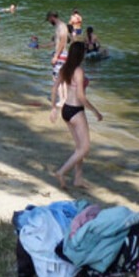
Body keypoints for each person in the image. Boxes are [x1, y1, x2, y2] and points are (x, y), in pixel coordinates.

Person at [50, 41, 102, 190]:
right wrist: (95, 111)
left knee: (79, 147)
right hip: (76, 110)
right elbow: (80, 96)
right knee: (85, 148)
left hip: (66, 109)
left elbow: (54, 89)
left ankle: (78, 178)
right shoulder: (78, 71)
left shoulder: (64, 68)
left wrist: (53, 108)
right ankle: (61, 172)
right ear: (80, 54)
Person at [46, 11, 70, 80]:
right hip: (60, 54)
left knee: (57, 79)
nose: (49, 22)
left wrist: (56, 56)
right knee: (59, 79)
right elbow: (55, 43)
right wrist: (40, 46)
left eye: (49, 20)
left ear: (52, 17)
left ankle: (60, 91)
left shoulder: (61, 26)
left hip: (61, 55)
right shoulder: (58, 26)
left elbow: (62, 42)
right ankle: (61, 91)